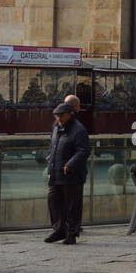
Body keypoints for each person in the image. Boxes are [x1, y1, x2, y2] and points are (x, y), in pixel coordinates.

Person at [44, 101, 89, 245]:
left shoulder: (79, 130)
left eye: (61, 116)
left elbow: (83, 151)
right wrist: (51, 156)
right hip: (56, 172)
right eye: (57, 117)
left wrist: (70, 164)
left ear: (70, 114)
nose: (59, 119)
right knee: (54, 200)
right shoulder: (57, 127)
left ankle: (71, 233)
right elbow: (54, 145)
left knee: (71, 204)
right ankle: (59, 229)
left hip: (71, 174)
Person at [63, 93, 88, 233]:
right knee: (75, 201)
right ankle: (73, 226)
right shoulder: (76, 125)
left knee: (71, 201)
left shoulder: (67, 125)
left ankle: (71, 226)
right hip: (73, 169)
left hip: (70, 168)